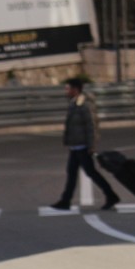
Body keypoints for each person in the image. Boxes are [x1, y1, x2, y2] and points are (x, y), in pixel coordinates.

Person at [50, 77, 119, 211]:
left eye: (68, 88)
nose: (66, 91)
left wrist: (91, 145)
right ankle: (65, 201)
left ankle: (111, 195)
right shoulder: (74, 103)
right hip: (75, 146)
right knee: (72, 173)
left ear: (75, 90)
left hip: (82, 147)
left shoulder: (83, 105)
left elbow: (91, 126)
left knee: (91, 173)